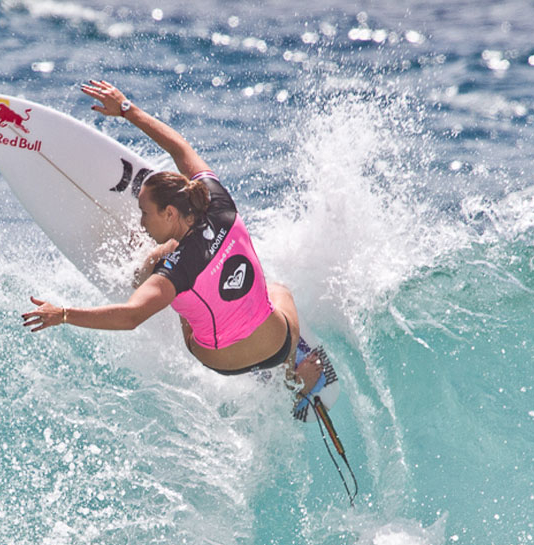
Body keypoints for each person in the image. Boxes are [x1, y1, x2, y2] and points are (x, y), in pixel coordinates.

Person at [22, 80, 326, 417]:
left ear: (169, 213)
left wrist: (63, 314)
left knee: (176, 289)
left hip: (219, 360)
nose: (140, 222)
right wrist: (127, 109)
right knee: (279, 290)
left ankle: (148, 274)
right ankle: (292, 375)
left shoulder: (172, 272)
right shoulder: (220, 202)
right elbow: (180, 149)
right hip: (276, 346)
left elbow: (130, 316)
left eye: (145, 213)